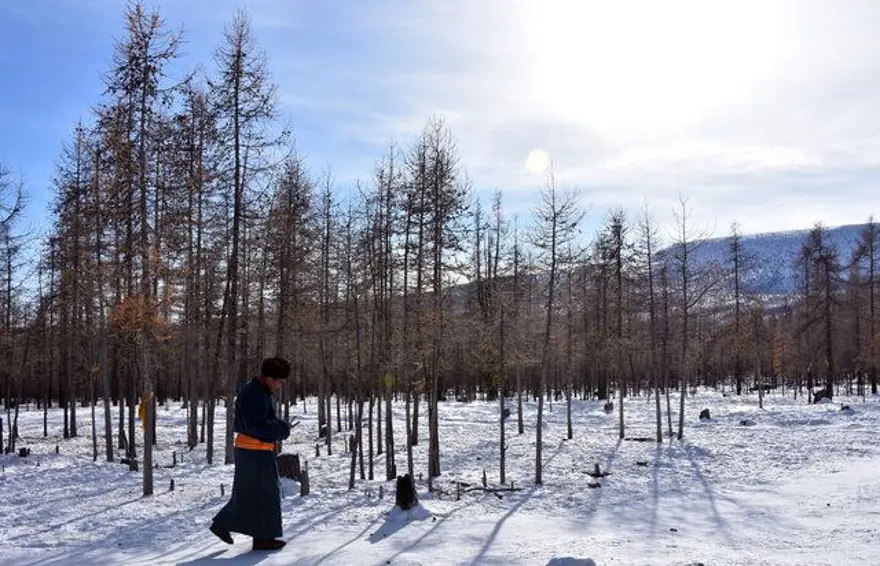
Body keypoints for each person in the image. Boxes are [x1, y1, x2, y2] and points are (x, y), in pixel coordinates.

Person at [210, 357, 293, 551]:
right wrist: (281, 428)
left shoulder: (260, 391)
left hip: (258, 451)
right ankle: (225, 525)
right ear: (269, 378)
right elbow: (256, 426)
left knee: (263, 494)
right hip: (252, 451)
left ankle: (262, 537)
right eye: (279, 381)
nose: (280, 386)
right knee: (253, 494)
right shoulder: (253, 393)